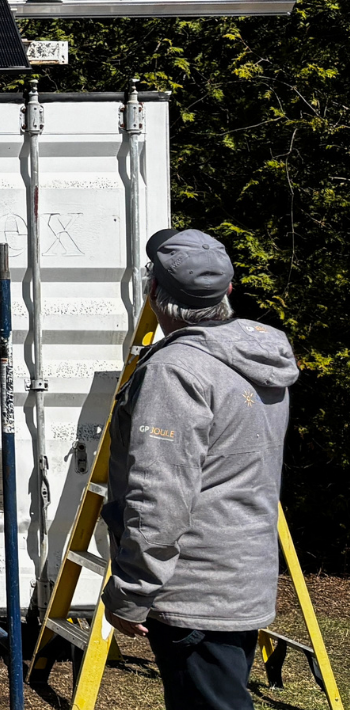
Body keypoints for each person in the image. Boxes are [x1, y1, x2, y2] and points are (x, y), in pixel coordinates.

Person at [102, 228, 298, 710]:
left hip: (194, 590)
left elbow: (160, 496)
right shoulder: (261, 354)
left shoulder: (176, 370)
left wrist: (132, 592)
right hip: (240, 578)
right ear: (228, 290)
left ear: (153, 292)